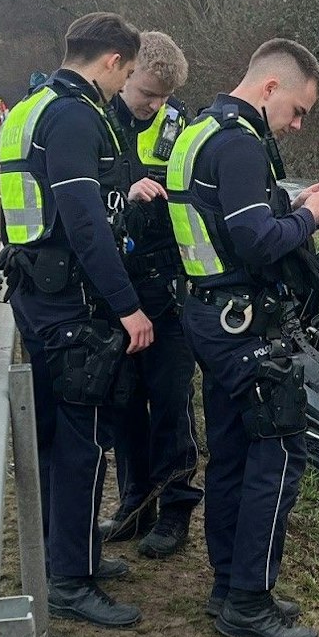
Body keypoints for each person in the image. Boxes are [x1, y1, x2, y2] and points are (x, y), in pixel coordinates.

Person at [166, 39, 319, 637]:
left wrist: (291, 204)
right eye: (297, 111)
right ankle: (248, 601)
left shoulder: (200, 130)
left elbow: (223, 218)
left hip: (209, 316)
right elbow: (257, 241)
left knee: (233, 454)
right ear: (269, 88)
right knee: (279, 454)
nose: (296, 125)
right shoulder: (240, 143)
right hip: (240, 325)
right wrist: (311, 218)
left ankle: (228, 585)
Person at [0, 12, 152, 630]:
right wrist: (127, 306)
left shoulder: (31, 106)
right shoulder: (74, 116)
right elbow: (86, 222)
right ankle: (71, 580)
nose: (124, 85)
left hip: (38, 292)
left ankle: (66, 553)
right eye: (127, 73)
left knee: (55, 439)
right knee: (80, 443)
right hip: (70, 306)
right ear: (112, 60)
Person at [98, 31, 201, 558]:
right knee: (122, 403)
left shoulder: (180, 126)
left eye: (164, 97)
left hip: (167, 288)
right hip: (115, 287)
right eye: (148, 94)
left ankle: (176, 508)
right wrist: (125, 193)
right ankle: (135, 505)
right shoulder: (98, 118)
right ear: (127, 71)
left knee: (171, 403)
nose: (155, 106)